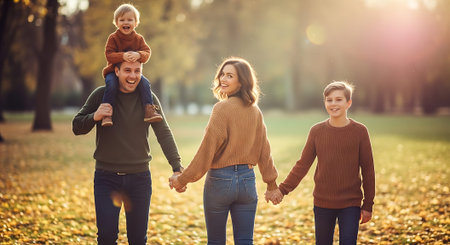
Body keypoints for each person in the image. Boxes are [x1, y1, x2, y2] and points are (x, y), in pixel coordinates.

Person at [169, 57, 279, 245]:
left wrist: (182, 179)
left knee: (216, 241)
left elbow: (207, 150)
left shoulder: (221, 109)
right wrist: (271, 184)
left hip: (220, 181)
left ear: (242, 81)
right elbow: (264, 150)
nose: (223, 79)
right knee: (245, 240)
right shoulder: (255, 111)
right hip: (247, 182)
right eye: (222, 74)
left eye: (230, 76)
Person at [72, 61, 184, 244]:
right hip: (106, 179)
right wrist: (95, 116)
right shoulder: (101, 95)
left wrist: (176, 166)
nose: (132, 76)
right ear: (116, 71)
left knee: (138, 239)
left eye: (137, 71)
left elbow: (163, 133)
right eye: (127, 70)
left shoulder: (148, 99)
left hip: (139, 179)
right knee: (106, 237)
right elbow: (77, 126)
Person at [265, 81, 375, 245]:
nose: (333, 104)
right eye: (329, 100)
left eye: (338, 99)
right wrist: (282, 190)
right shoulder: (317, 131)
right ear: (325, 103)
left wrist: (367, 205)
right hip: (323, 203)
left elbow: (368, 170)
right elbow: (302, 165)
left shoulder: (360, 131)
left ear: (348, 103)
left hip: (351, 203)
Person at [101, 3, 162, 126]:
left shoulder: (139, 39)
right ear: (116, 23)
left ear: (136, 23)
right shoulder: (113, 38)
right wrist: (122, 56)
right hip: (114, 71)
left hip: (133, 73)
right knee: (111, 84)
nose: (126, 22)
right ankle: (107, 114)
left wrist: (139, 55)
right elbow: (109, 55)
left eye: (130, 19)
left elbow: (147, 52)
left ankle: (149, 110)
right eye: (122, 20)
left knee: (145, 83)